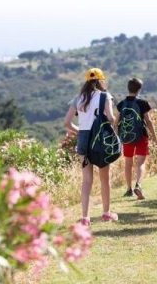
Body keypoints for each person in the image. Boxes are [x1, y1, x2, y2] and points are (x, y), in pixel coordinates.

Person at [64, 68, 119, 226]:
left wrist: (79, 132)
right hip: (100, 140)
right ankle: (106, 213)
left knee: (87, 180)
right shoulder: (105, 96)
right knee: (104, 178)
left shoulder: (78, 98)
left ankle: (85, 217)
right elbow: (110, 117)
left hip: (83, 139)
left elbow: (67, 123)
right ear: (101, 81)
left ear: (86, 82)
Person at [116, 77, 157, 200]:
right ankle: (138, 185)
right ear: (139, 89)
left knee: (128, 163)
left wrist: (116, 136)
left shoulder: (121, 104)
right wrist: (156, 139)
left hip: (127, 137)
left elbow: (116, 122)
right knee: (140, 163)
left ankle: (129, 189)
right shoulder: (143, 103)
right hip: (141, 135)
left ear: (128, 88)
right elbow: (149, 121)